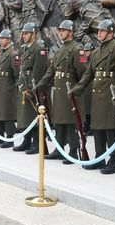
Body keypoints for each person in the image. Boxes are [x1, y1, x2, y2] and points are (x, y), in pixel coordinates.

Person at [69, 20, 115, 174]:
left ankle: (113, 161)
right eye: (98, 31)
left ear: (110, 33)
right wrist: (76, 90)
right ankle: (99, 158)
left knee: (111, 129)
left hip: (110, 94)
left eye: (102, 31)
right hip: (98, 95)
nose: (99, 33)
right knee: (97, 128)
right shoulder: (97, 52)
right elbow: (88, 75)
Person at [35, 20, 87, 164]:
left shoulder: (77, 50)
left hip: (70, 90)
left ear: (70, 32)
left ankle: (73, 151)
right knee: (59, 121)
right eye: (59, 30)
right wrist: (40, 85)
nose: (60, 33)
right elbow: (50, 72)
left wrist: (75, 89)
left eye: (63, 30)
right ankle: (59, 149)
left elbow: (83, 73)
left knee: (70, 122)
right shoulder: (59, 50)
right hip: (59, 91)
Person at [13, 23, 48, 154]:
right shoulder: (23, 49)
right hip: (23, 84)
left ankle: (37, 143)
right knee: (25, 115)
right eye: (23, 33)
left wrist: (31, 89)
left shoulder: (39, 49)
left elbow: (38, 72)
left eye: (26, 33)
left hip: (31, 86)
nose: (24, 36)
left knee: (34, 115)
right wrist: (20, 83)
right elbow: (20, 68)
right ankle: (26, 140)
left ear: (34, 34)